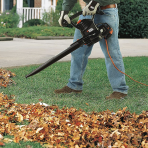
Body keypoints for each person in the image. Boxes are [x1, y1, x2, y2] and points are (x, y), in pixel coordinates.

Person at [55, 0, 129, 99]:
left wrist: (95, 2)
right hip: (87, 13)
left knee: (111, 52)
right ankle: (74, 85)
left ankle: (120, 90)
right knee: (77, 51)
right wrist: (65, 11)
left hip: (106, 11)